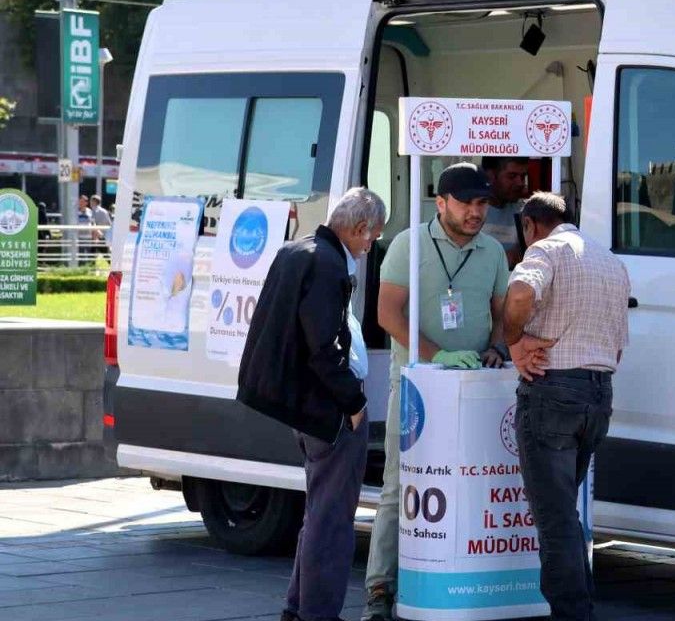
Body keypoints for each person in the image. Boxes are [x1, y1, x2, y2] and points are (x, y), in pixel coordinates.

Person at [363, 162, 510, 621]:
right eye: (466, 203)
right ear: (440, 203)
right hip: (418, 386)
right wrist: (437, 354)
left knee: (475, 483)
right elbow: (388, 314)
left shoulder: (493, 251)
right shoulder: (409, 244)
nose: (475, 212)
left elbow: (502, 314)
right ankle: (379, 590)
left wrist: (497, 347)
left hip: (475, 388)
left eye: (482, 203)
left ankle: (462, 584)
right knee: (399, 487)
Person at [235, 187, 386, 621]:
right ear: (359, 228)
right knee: (333, 520)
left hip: (304, 405)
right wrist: (354, 403)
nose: (372, 244)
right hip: (329, 409)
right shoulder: (328, 264)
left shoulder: (298, 250)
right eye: (373, 235)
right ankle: (317, 612)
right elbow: (324, 347)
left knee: (319, 512)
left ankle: (298, 607)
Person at [503, 192, 631, 621]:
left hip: (553, 391)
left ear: (530, 225)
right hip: (598, 395)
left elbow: (520, 293)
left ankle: (573, 614)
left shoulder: (547, 249)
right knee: (565, 513)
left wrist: (514, 340)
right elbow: (618, 347)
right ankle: (579, 607)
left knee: (555, 519)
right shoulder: (610, 261)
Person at [481, 155, 530, 268]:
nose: (520, 183)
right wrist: (503, 259)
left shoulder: (526, 211)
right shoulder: (473, 212)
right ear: (490, 176)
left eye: (523, 176)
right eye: (512, 176)